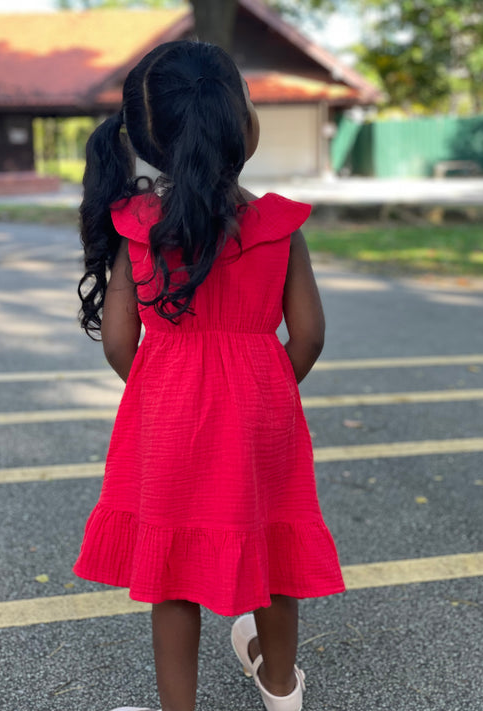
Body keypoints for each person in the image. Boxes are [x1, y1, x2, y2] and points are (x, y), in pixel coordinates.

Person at [73, 40, 345, 711]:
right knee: (276, 551)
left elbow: (117, 341)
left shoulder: (138, 226)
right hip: (262, 413)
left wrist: (167, 387)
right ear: (241, 126)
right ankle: (281, 688)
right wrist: (262, 387)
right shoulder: (279, 224)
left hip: (166, 415)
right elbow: (307, 335)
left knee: (171, 570)